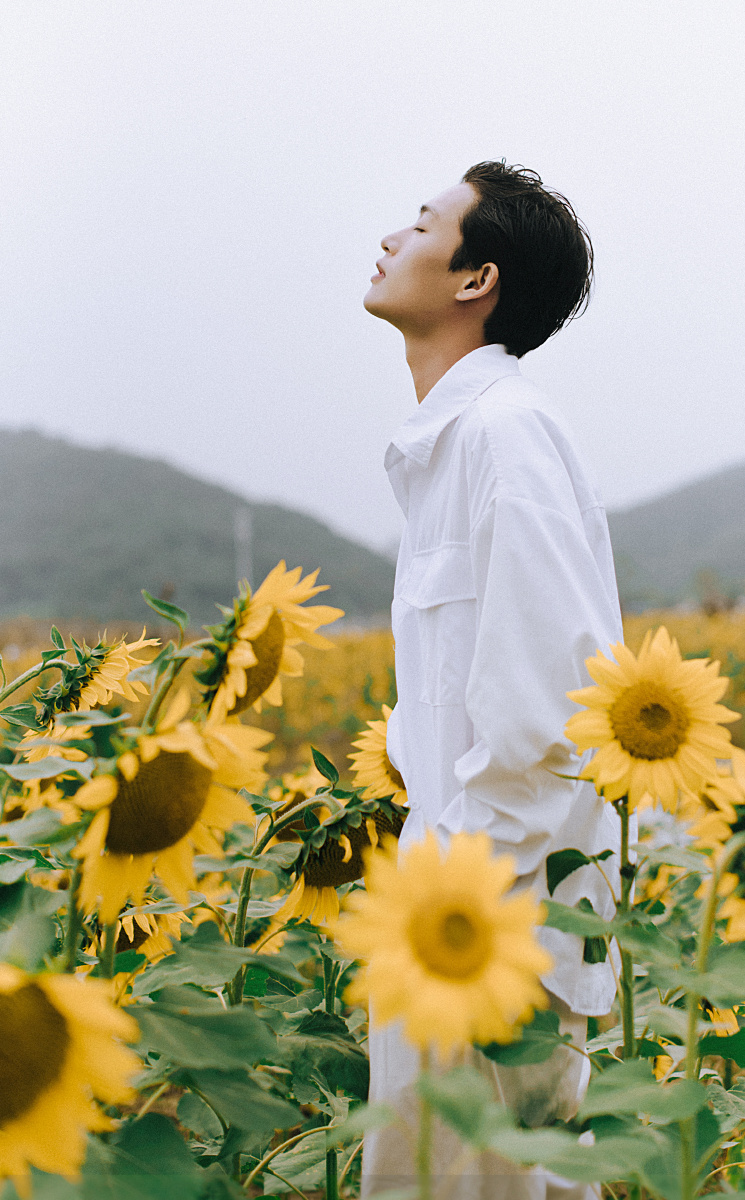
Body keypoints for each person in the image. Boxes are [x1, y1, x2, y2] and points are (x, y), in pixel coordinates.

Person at [360, 162, 623, 1199]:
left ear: (476, 280)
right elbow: (461, 699)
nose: (390, 239)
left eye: (421, 224)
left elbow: (554, 716)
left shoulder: (504, 438)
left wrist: (458, 918)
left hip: (487, 938)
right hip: (449, 919)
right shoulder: (453, 445)